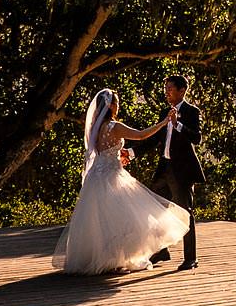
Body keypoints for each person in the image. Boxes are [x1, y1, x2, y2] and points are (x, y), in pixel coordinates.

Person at [52, 88, 193, 275]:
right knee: (123, 220)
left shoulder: (96, 127)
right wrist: (164, 122)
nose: (118, 106)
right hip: (112, 175)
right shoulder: (114, 126)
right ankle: (116, 260)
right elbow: (142, 135)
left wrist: (119, 156)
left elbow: (102, 151)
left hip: (97, 176)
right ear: (110, 105)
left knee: (101, 220)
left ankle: (102, 259)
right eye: (116, 103)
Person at [142, 74, 205, 270]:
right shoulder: (164, 112)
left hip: (182, 172)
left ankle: (190, 258)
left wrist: (177, 124)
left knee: (185, 213)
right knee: (154, 208)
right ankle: (161, 251)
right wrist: (132, 153)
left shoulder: (191, 112)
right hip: (164, 169)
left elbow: (197, 138)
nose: (166, 92)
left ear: (181, 91)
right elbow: (154, 139)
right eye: (166, 88)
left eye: (170, 89)